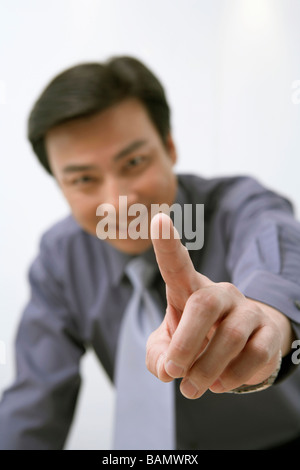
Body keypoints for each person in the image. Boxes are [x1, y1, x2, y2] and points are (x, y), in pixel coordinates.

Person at [0, 55, 300, 450]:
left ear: (169, 147)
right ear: (60, 185)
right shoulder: (61, 257)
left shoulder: (240, 206)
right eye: (84, 179)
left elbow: (278, 266)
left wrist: (268, 323)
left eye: (134, 162)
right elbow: (33, 405)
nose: (119, 202)